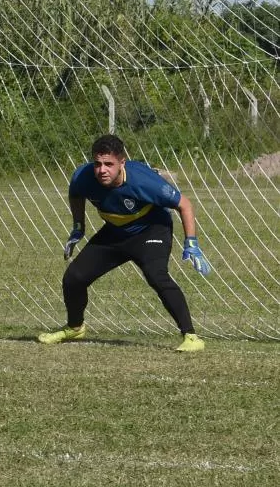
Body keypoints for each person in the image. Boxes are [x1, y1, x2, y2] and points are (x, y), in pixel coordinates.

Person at [37, 134, 210, 352]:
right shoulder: (82, 176)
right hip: (115, 232)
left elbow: (185, 204)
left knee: (156, 275)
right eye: (98, 164)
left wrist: (191, 243)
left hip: (151, 228)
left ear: (122, 163)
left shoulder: (144, 180)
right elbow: (75, 193)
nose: (102, 170)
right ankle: (75, 327)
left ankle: (191, 337)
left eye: (109, 164)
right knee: (74, 278)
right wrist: (78, 227)